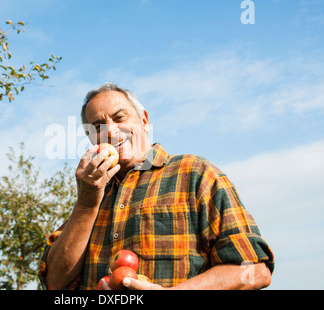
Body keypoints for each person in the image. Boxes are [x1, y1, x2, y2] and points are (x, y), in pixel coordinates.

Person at [38, 83, 274, 290]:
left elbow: (254, 270)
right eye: (98, 126)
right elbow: (54, 282)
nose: (110, 130)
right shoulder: (93, 195)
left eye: (119, 118)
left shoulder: (194, 173)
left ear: (144, 121)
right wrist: (87, 202)